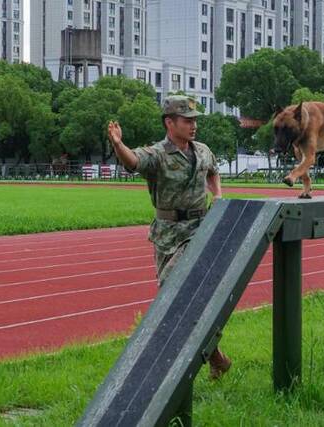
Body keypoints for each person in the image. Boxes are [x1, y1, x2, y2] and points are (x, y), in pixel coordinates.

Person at [107, 95, 232, 380]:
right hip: (167, 234)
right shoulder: (158, 154)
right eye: (187, 121)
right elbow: (134, 161)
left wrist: (219, 196)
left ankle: (169, 363)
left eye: (195, 120)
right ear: (169, 122)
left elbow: (212, 172)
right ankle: (217, 358)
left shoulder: (202, 150)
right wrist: (118, 144)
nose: (193, 125)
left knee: (172, 289)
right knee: (185, 301)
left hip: (200, 229)